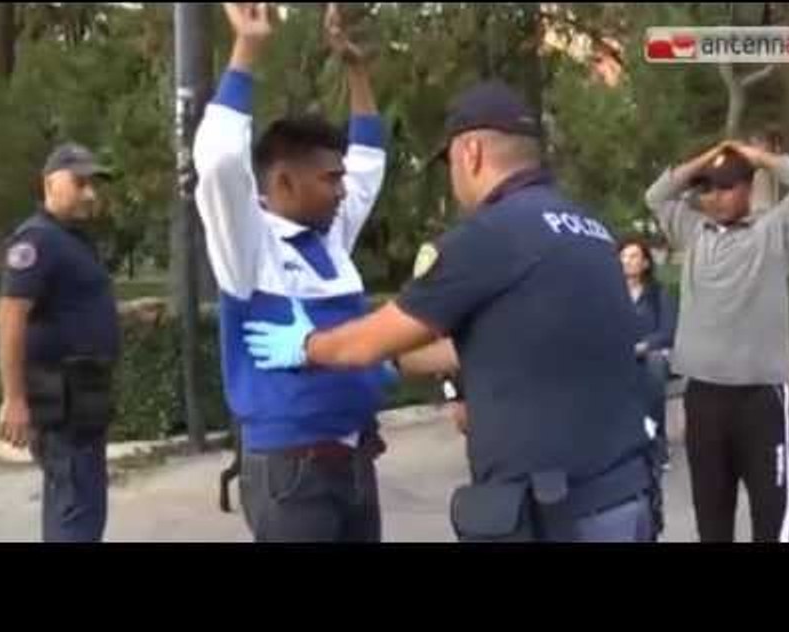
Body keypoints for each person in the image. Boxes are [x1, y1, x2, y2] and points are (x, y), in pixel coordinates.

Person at [241, 80, 657, 542]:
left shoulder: (490, 236)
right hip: (625, 495)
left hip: (559, 513)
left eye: (450, 164)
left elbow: (367, 343)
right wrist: (402, 363)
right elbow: (510, 345)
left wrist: (305, 344)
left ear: (471, 153)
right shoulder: (591, 231)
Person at [194, 3, 392, 542]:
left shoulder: (331, 236)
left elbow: (370, 163)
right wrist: (248, 49)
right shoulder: (248, 245)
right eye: (330, 178)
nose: (343, 189)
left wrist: (355, 71)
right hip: (291, 471)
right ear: (282, 183)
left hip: (353, 459)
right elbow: (217, 164)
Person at [645, 138, 789, 543]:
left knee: (770, 515)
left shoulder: (774, 232)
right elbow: (656, 195)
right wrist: (710, 156)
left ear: (748, 187)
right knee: (711, 517)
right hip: (704, 397)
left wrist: (757, 157)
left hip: (760, 398)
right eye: (708, 188)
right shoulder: (693, 234)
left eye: (728, 186)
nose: (717, 197)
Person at [0, 143, 119, 543]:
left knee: (76, 509)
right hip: (62, 404)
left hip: (84, 401)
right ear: (50, 183)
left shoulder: (72, 240)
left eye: (93, 185)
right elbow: (11, 317)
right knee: (76, 514)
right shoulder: (38, 240)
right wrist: (14, 399)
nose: (90, 194)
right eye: (80, 183)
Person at [618, 238, 677, 468]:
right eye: (623, 257)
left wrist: (643, 346)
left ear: (645, 263)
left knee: (653, 367)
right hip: (620, 356)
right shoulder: (611, 294)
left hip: (652, 354)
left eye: (633, 257)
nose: (627, 261)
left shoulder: (658, 294)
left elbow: (667, 331)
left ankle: (658, 444)